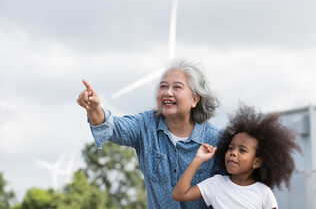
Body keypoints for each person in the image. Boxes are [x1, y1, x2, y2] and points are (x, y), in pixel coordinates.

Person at [77, 58, 221, 209]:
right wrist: (94, 109)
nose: (168, 93)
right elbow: (114, 127)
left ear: (194, 99)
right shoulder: (145, 125)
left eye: (177, 87)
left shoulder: (216, 139)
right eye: (163, 86)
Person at [172, 103, 302, 209]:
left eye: (242, 150)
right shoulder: (216, 184)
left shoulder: (263, 193)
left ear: (257, 162)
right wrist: (198, 159)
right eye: (231, 148)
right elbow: (179, 194)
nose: (233, 153)